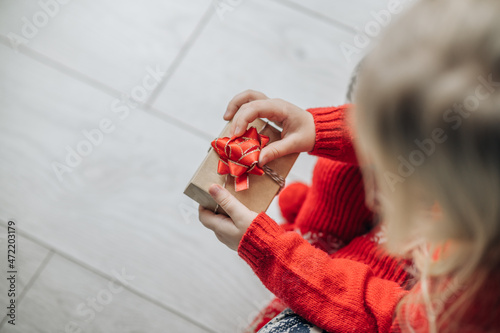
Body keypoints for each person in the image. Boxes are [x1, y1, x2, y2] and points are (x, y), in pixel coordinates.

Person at [199, 0, 500, 331]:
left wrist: (276, 253)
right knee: (342, 165)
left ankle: (325, 243)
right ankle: (325, 242)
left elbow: (396, 322)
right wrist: (319, 127)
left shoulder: (475, 295)